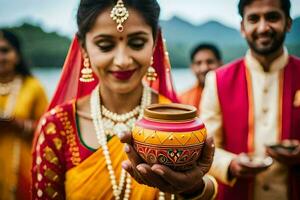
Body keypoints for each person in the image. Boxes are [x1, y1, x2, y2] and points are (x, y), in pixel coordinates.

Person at [32, 0, 218, 199]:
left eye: (137, 43)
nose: (122, 61)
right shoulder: (57, 126)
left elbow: (206, 182)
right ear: (83, 47)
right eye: (105, 46)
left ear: (154, 42)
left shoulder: (177, 122)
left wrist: (192, 189)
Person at [200, 0, 300, 199]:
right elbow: (205, 145)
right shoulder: (218, 80)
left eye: (272, 17)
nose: (263, 28)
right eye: (254, 19)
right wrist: (230, 164)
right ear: (242, 27)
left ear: (288, 23)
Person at [0, 29, 48, 199]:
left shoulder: (33, 87)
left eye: (5, 50)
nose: (0, 57)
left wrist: (16, 125)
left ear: (17, 55)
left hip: (23, 168)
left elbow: (48, 132)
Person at [179, 43, 222, 114]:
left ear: (220, 64)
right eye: (198, 63)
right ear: (192, 67)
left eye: (210, 62)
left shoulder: (231, 95)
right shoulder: (183, 100)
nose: (204, 68)